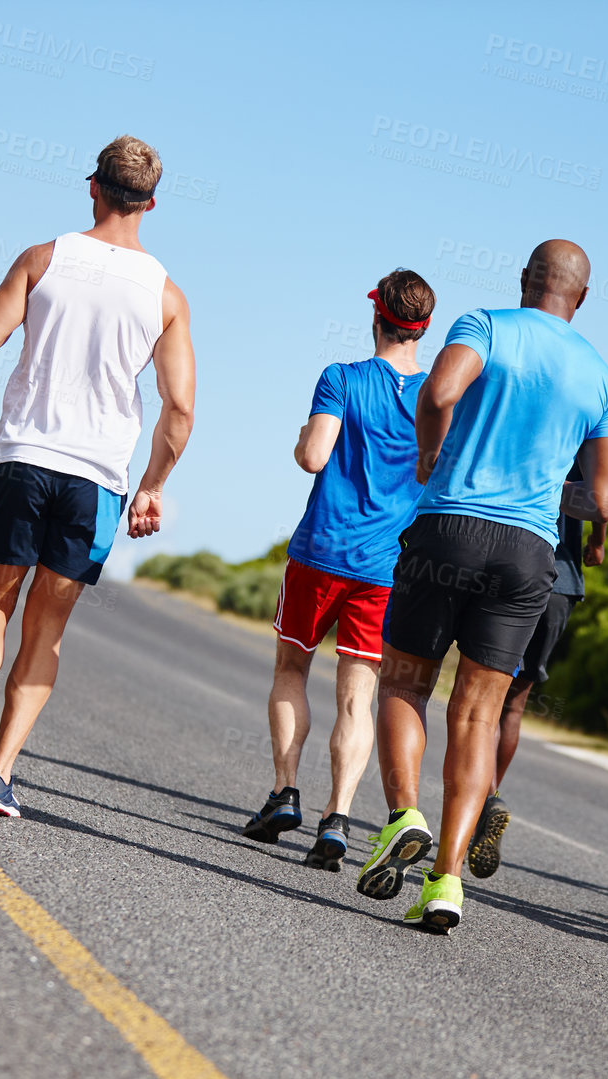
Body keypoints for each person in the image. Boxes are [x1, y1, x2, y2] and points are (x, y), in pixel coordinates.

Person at [0, 135, 195, 819]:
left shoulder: (43, 260)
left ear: (92, 187)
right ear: (151, 203)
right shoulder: (165, 295)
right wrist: (152, 484)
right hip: (96, 480)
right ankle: (0, 778)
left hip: (23, 461)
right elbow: (180, 407)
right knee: (46, 632)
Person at [354, 239, 608, 933]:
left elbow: (440, 391)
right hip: (528, 552)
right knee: (477, 716)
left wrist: (429, 452)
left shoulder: (484, 325)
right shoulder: (601, 377)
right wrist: (539, 488)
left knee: (406, 683)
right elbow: (604, 499)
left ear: (525, 280)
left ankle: (402, 816)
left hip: (448, 528)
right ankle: (446, 880)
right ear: (582, 298)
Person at [240, 270, 435, 869]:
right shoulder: (437, 398)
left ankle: (284, 792)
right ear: (422, 330)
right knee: (359, 696)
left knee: (291, 667)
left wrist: (305, 433)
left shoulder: (341, 379)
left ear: (376, 317)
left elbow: (312, 457)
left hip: (320, 553)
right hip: (386, 569)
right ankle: (337, 819)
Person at [465, 456, 606, 881]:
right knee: (514, 705)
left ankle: (482, 799)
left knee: (483, 697)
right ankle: (487, 801)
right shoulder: (590, 428)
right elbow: (603, 495)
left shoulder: (524, 410)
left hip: (510, 565)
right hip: (561, 581)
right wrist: (598, 540)